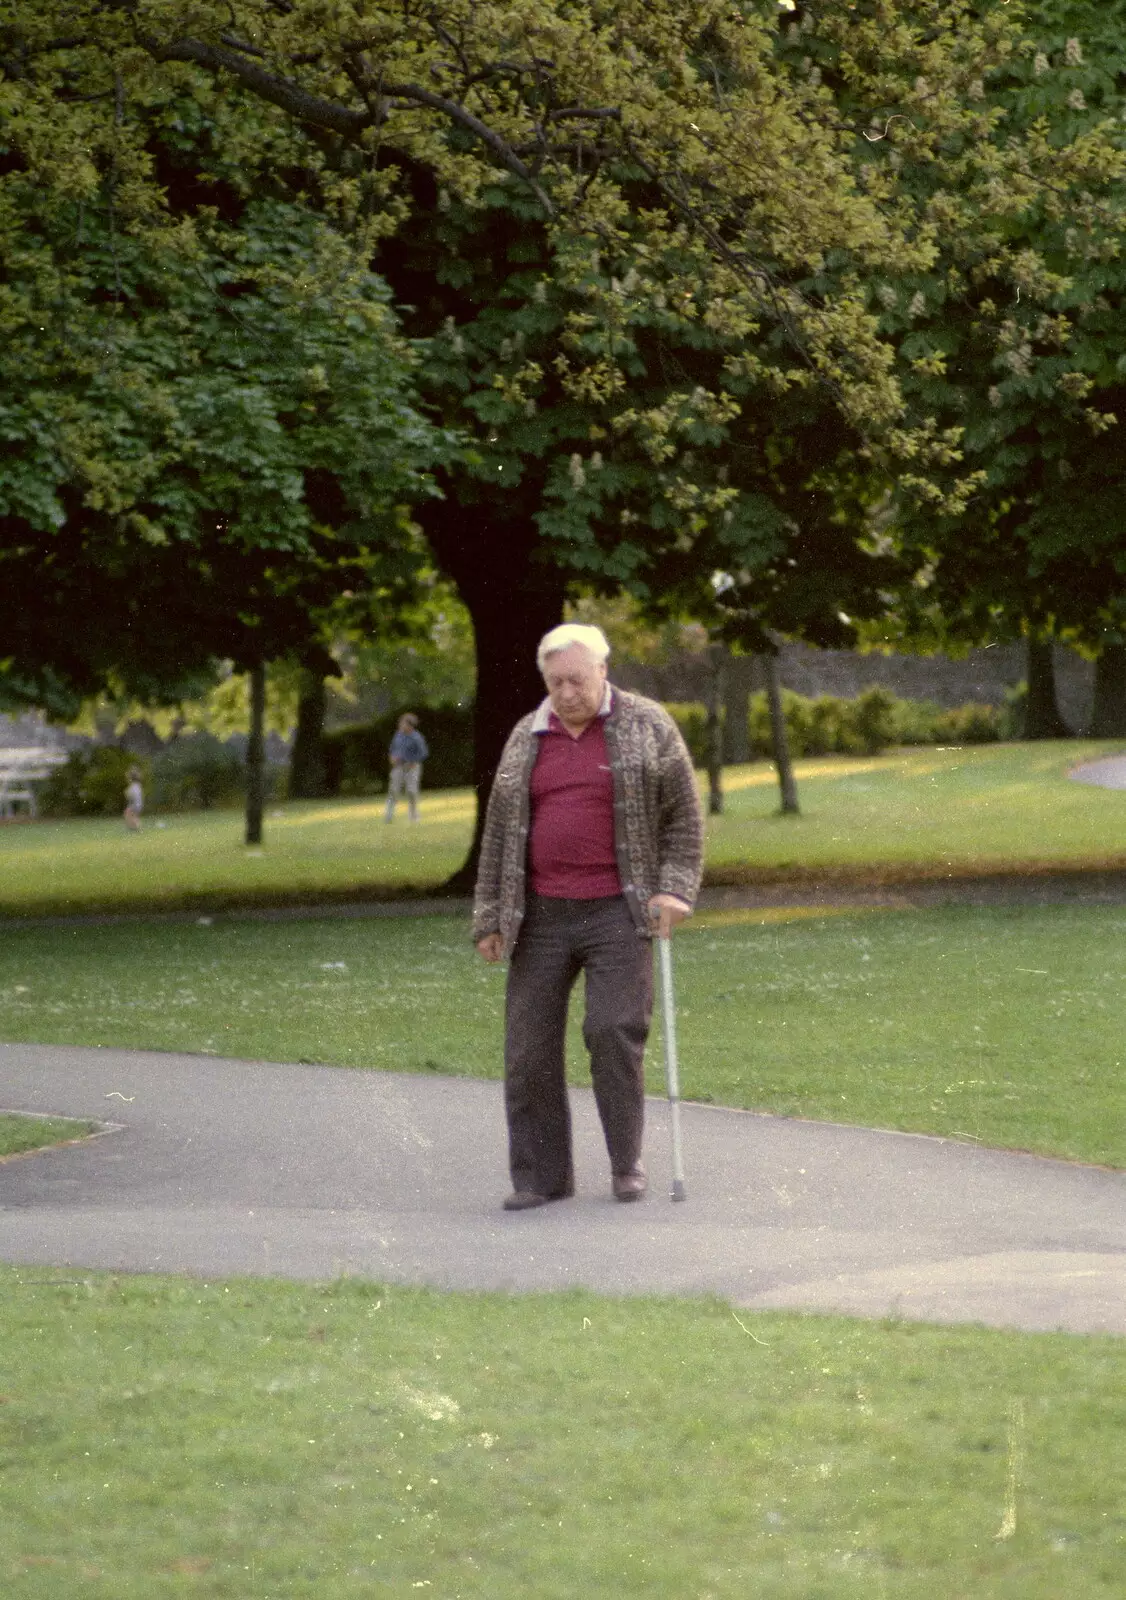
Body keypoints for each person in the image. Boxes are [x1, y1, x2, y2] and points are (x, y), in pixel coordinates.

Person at [474, 623, 703, 1210]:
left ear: (604, 670)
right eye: (555, 682)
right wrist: (490, 917)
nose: (566, 691)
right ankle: (541, 1178)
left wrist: (676, 890)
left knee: (612, 1031)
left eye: (576, 678)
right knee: (527, 1049)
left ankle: (626, 1164)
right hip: (541, 915)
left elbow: (684, 817)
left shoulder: (648, 725)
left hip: (618, 911)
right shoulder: (527, 736)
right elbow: (499, 833)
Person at [385, 713, 429, 823]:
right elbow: (392, 749)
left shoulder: (417, 737)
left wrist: (413, 761)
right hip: (398, 767)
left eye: (403, 723)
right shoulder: (398, 735)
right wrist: (392, 757)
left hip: (412, 767)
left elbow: (423, 753)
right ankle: (388, 816)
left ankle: (414, 817)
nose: (400, 725)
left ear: (410, 725)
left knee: (411, 791)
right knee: (393, 790)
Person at [123, 766, 144, 832]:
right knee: (131, 815)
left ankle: (136, 828)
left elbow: (130, 795)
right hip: (138, 804)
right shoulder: (137, 785)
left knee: (130, 815)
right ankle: (134, 828)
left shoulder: (133, 786)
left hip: (135, 804)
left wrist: (127, 793)